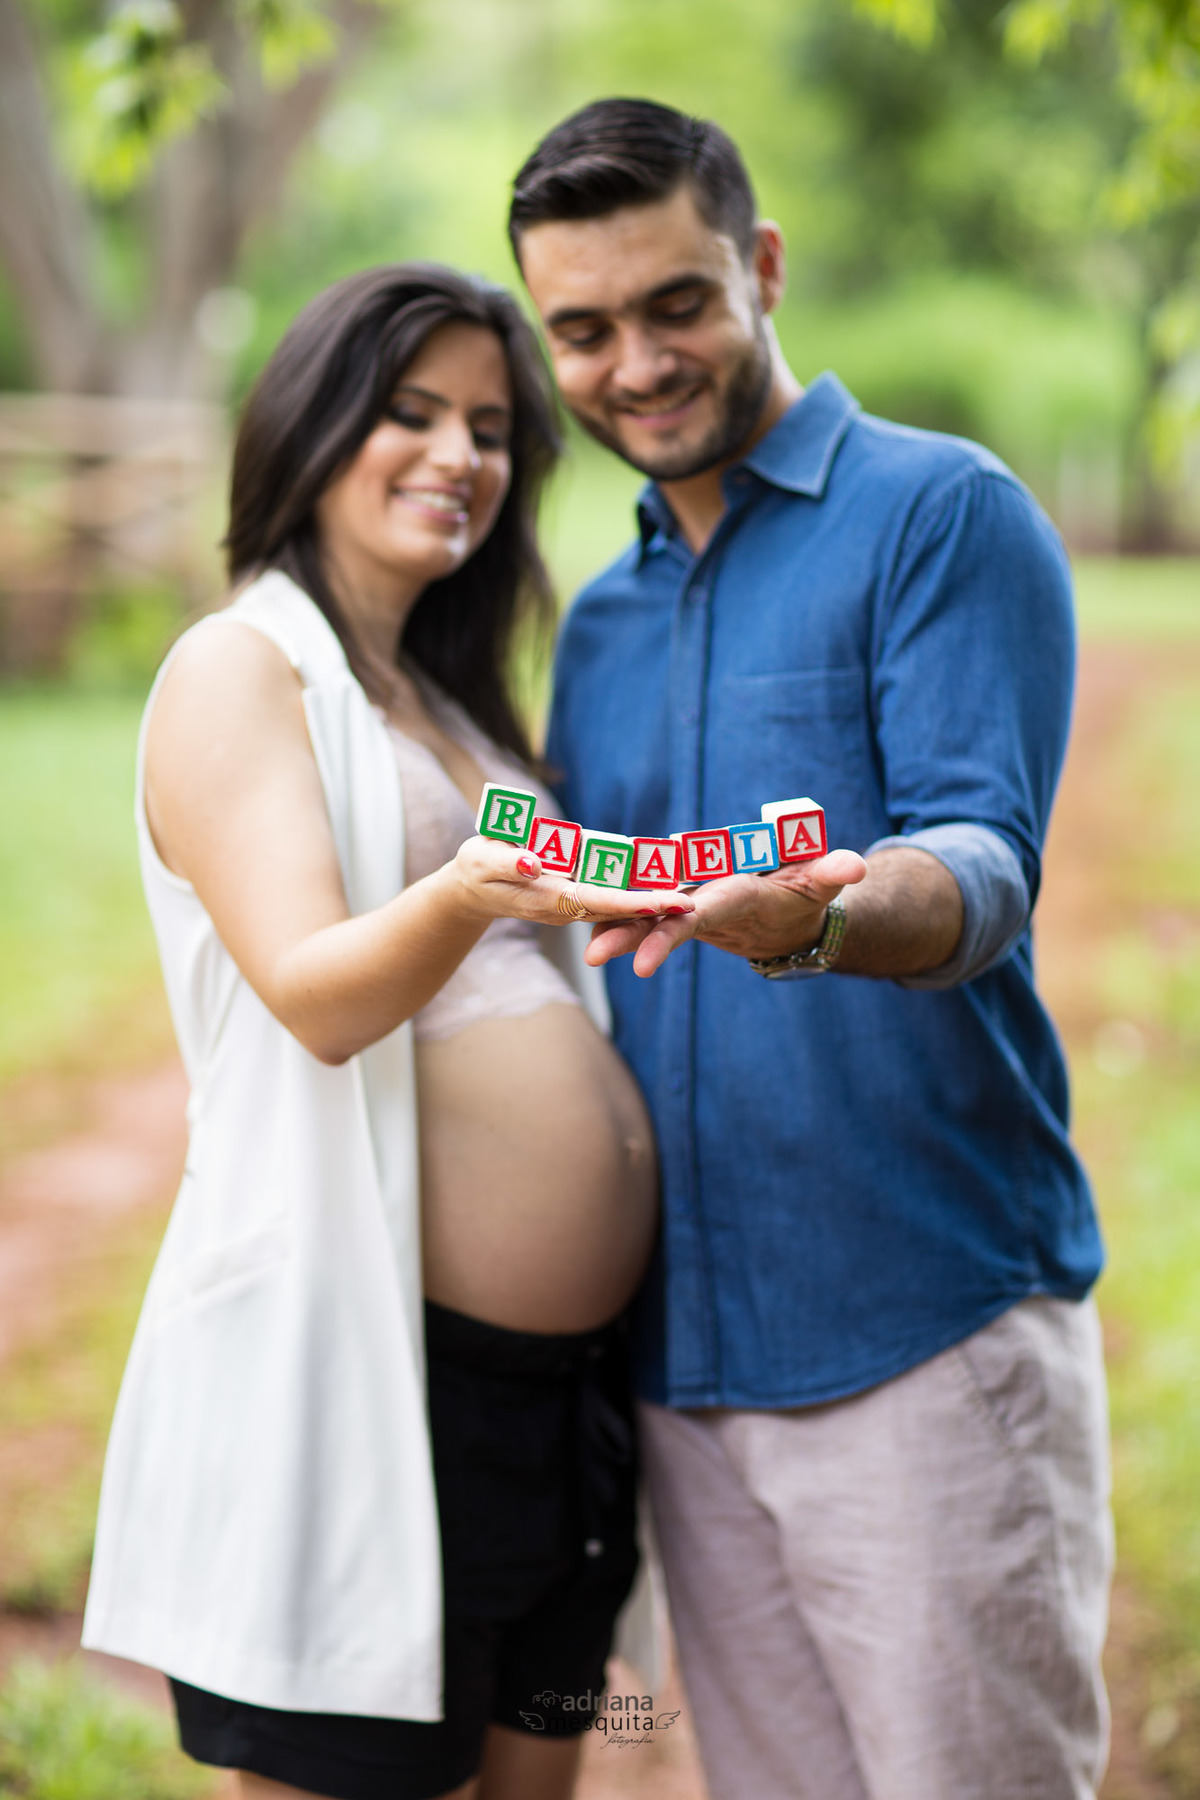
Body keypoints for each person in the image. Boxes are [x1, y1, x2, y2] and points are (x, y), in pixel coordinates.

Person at [509, 99, 1112, 1800]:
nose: (635, 361)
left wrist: (830, 916)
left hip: (921, 1342)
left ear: (762, 267)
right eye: (584, 328)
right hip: (688, 1371)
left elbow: (983, 859)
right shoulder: (606, 617)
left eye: (676, 302)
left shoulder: (941, 516)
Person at [81, 263, 693, 1800]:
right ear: (312, 425)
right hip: (385, 1383)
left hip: (560, 1397)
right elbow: (314, 989)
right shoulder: (242, 669)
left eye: (491, 427)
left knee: (540, 1781)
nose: (460, 455)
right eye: (410, 412)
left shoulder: (445, 698)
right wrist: (482, 890)